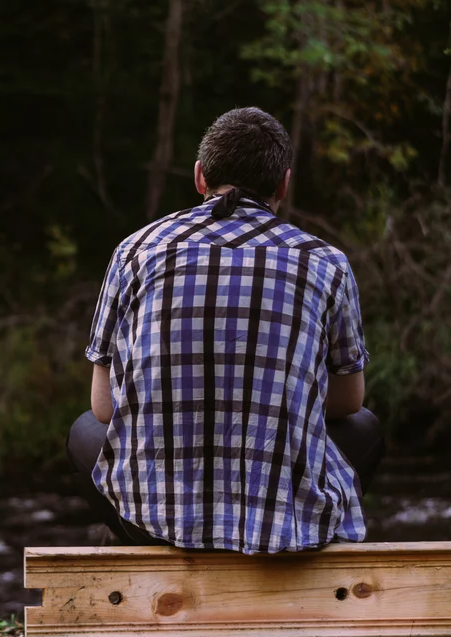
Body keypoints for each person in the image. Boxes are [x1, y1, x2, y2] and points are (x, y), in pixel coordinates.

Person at [67, 106, 384, 553]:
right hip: (286, 527)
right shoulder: (325, 263)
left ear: (200, 177)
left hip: (155, 521)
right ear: (283, 185)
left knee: (85, 431)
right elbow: (350, 401)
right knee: (365, 427)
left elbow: (103, 406)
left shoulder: (135, 251)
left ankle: (145, 541)